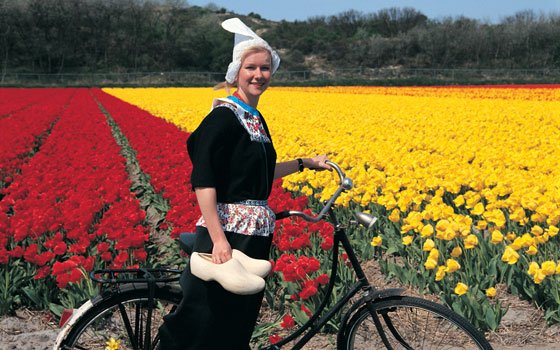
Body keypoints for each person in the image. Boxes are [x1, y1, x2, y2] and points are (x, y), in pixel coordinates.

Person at [158, 17, 331, 350]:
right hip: (228, 232)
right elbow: (204, 180)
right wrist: (219, 241)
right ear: (236, 72)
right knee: (207, 318)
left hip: (253, 233)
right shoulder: (224, 116)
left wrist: (305, 164)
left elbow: (257, 172)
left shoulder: (253, 117)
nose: (259, 75)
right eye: (251, 67)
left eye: (265, 68)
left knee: (235, 320)